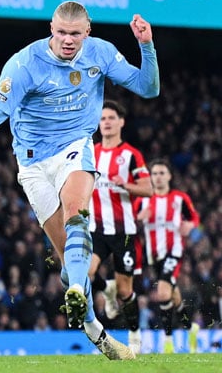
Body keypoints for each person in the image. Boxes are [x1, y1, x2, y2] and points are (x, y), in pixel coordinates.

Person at [0, 0, 159, 360]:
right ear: (52, 28)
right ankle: (95, 328)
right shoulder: (24, 64)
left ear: (88, 31)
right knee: (69, 264)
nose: (68, 40)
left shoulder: (101, 53)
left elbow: (148, 88)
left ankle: (80, 294)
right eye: (62, 33)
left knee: (77, 213)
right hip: (33, 165)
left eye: (75, 34)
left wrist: (146, 45)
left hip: (75, 147)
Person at [87, 99, 152, 354]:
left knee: (126, 292)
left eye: (111, 118)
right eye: (102, 119)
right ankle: (106, 287)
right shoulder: (90, 151)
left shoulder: (131, 155)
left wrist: (126, 185)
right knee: (84, 274)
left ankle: (134, 333)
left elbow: (148, 188)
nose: (106, 123)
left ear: (121, 122)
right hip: (96, 228)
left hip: (124, 232)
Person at [133, 159, 199, 353]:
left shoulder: (179, 198)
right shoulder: (143, 200)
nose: (158, 177)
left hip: (174, 251)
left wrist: (190, 225)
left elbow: (194, 217)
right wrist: (138, 218)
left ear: (169, 176)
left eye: (162, 173)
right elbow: (130, 223)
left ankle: (168, 339)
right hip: (153, 255)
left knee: (162, 292)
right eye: (154, 174)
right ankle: (190, 328)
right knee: (172, 293)